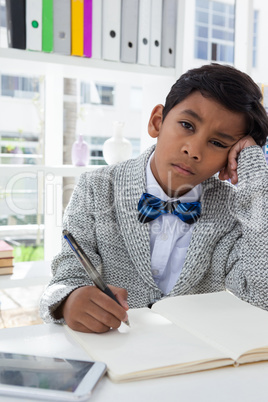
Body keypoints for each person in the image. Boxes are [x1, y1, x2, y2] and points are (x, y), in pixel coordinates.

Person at [40, 63, 268, 333]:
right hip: (113, 350)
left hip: (193, 357)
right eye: (187, 125)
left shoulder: (233, 210)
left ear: (229, 160)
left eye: (217, 143)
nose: (193, 150)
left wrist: (256, 176)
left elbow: (260, 294)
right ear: (157, 121)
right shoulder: (96, 188)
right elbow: (62, 280)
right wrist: (68, 300)